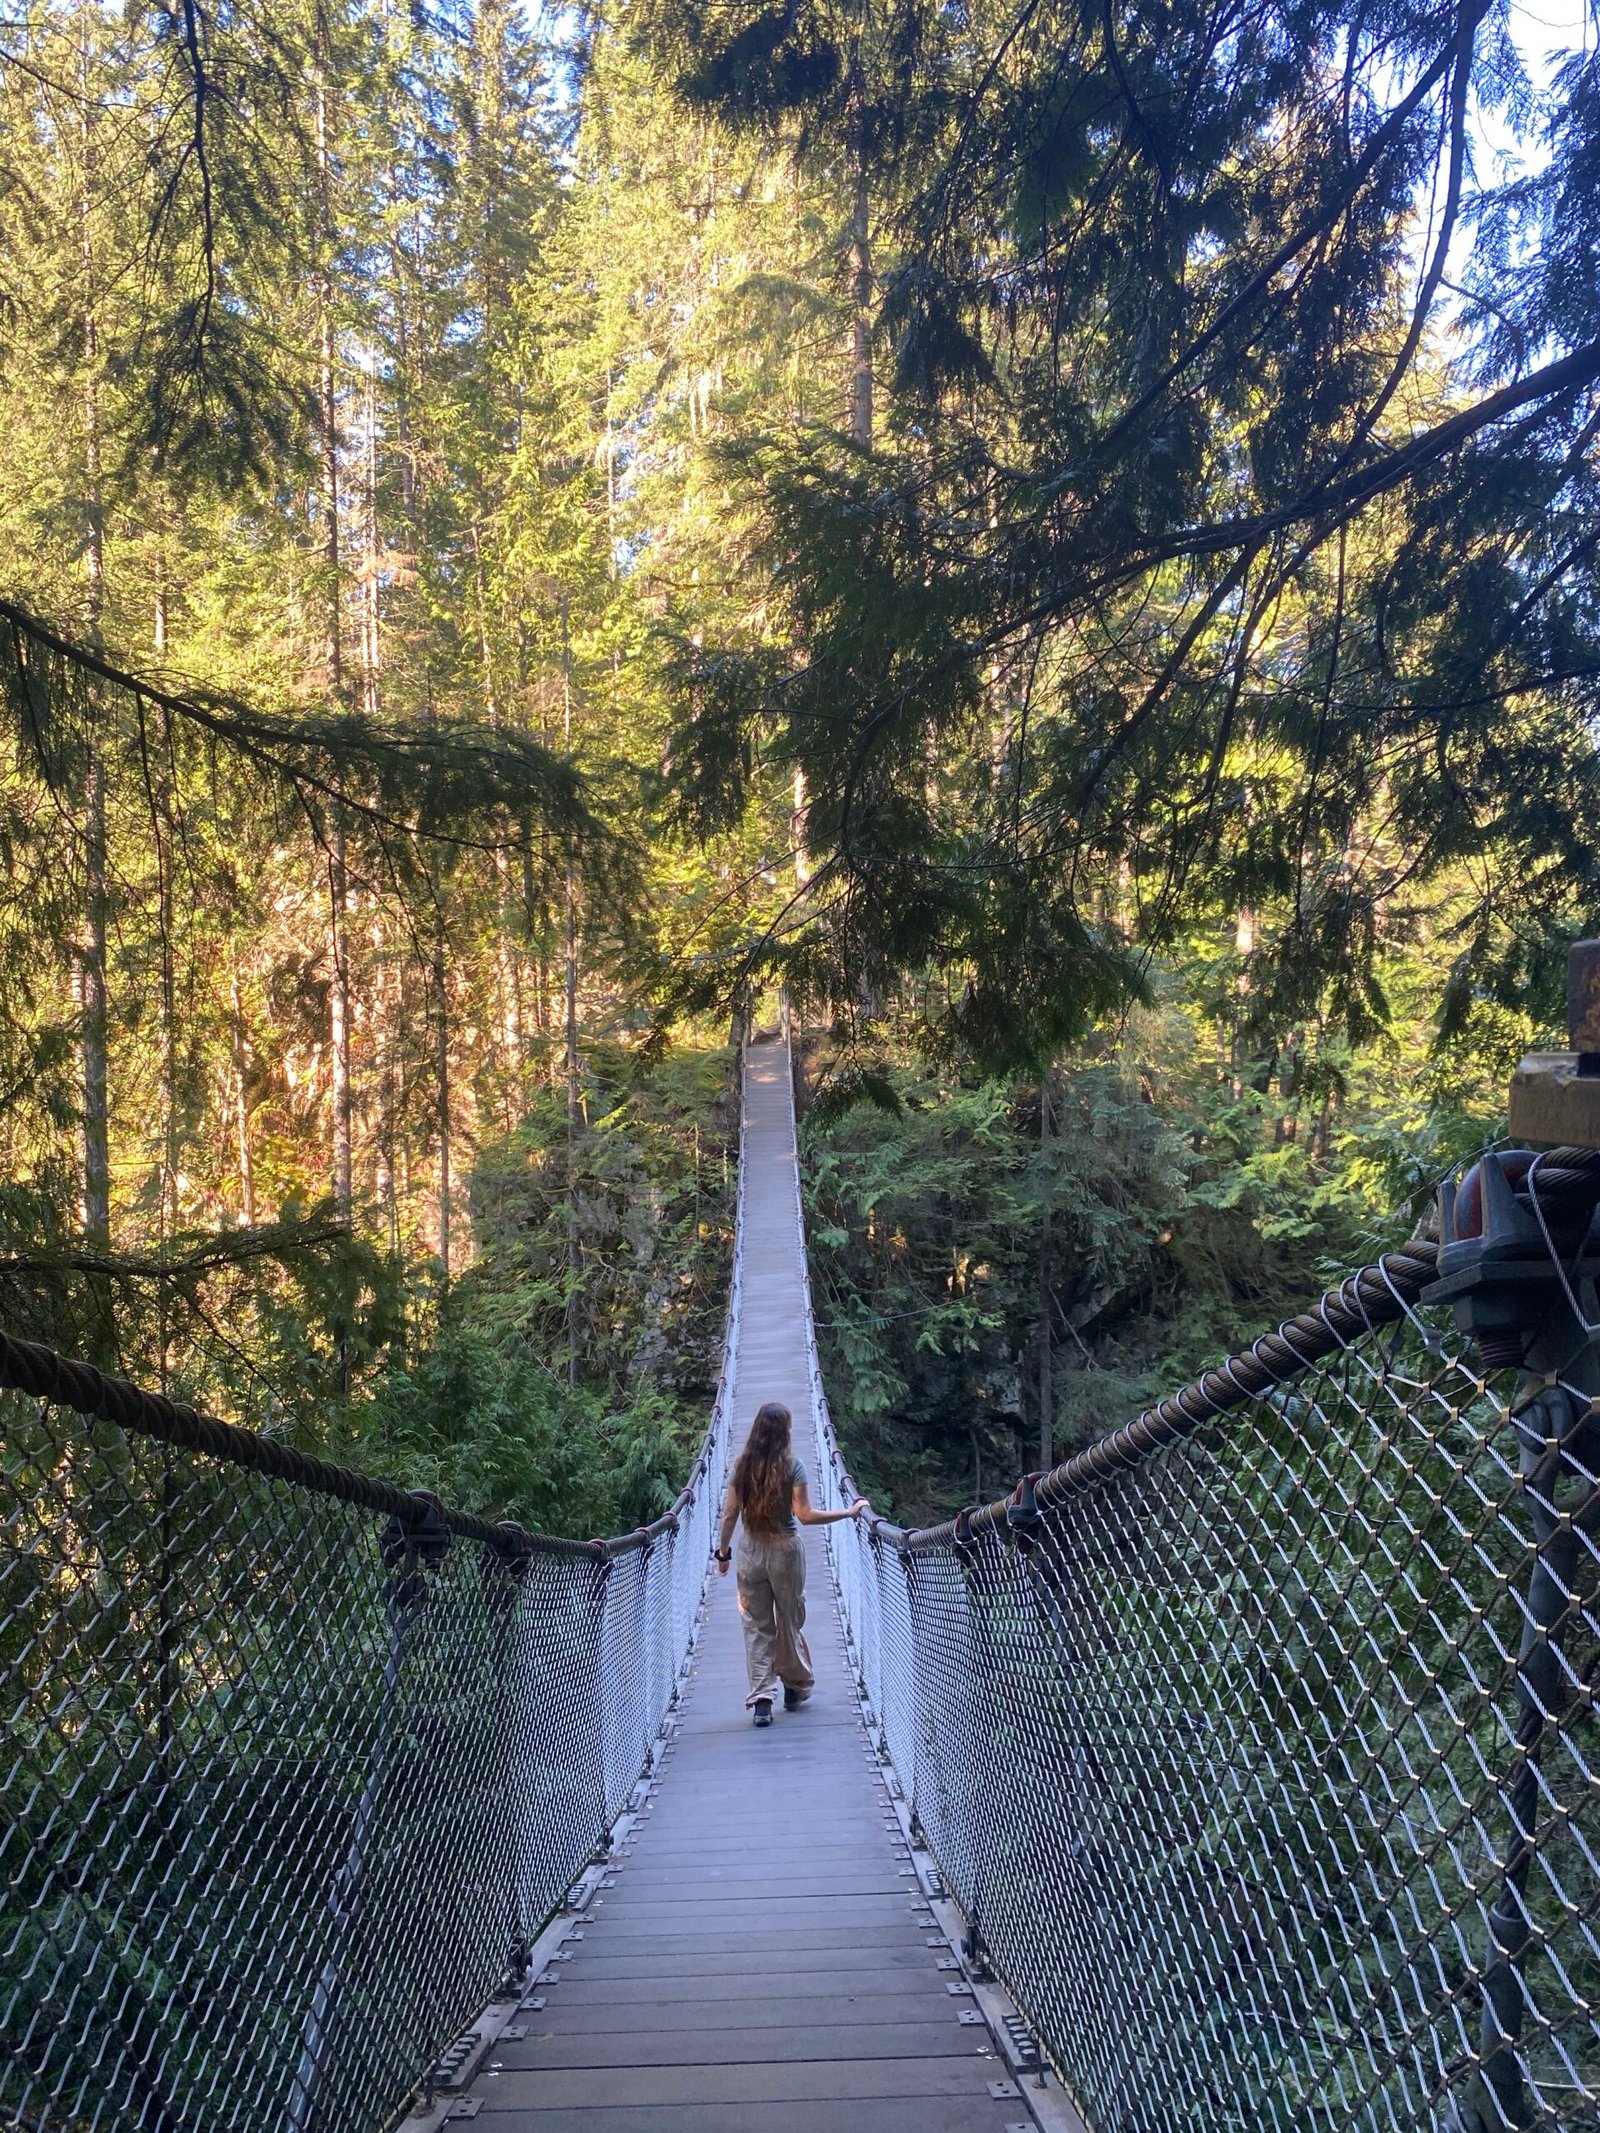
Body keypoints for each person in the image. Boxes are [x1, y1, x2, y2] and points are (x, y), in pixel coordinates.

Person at [714, 1401, 869, 1726]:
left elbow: (730, 1514)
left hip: (750, 1551)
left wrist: (723, 1552)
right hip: (785, 1552)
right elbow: (805, 1515)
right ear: (784, 1431)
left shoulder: (741, 1466)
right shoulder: (792, 1466)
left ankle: (762, 1699)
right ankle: (795, 1686)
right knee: (789, 1618)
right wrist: (848, 1512)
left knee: (756, 1625)